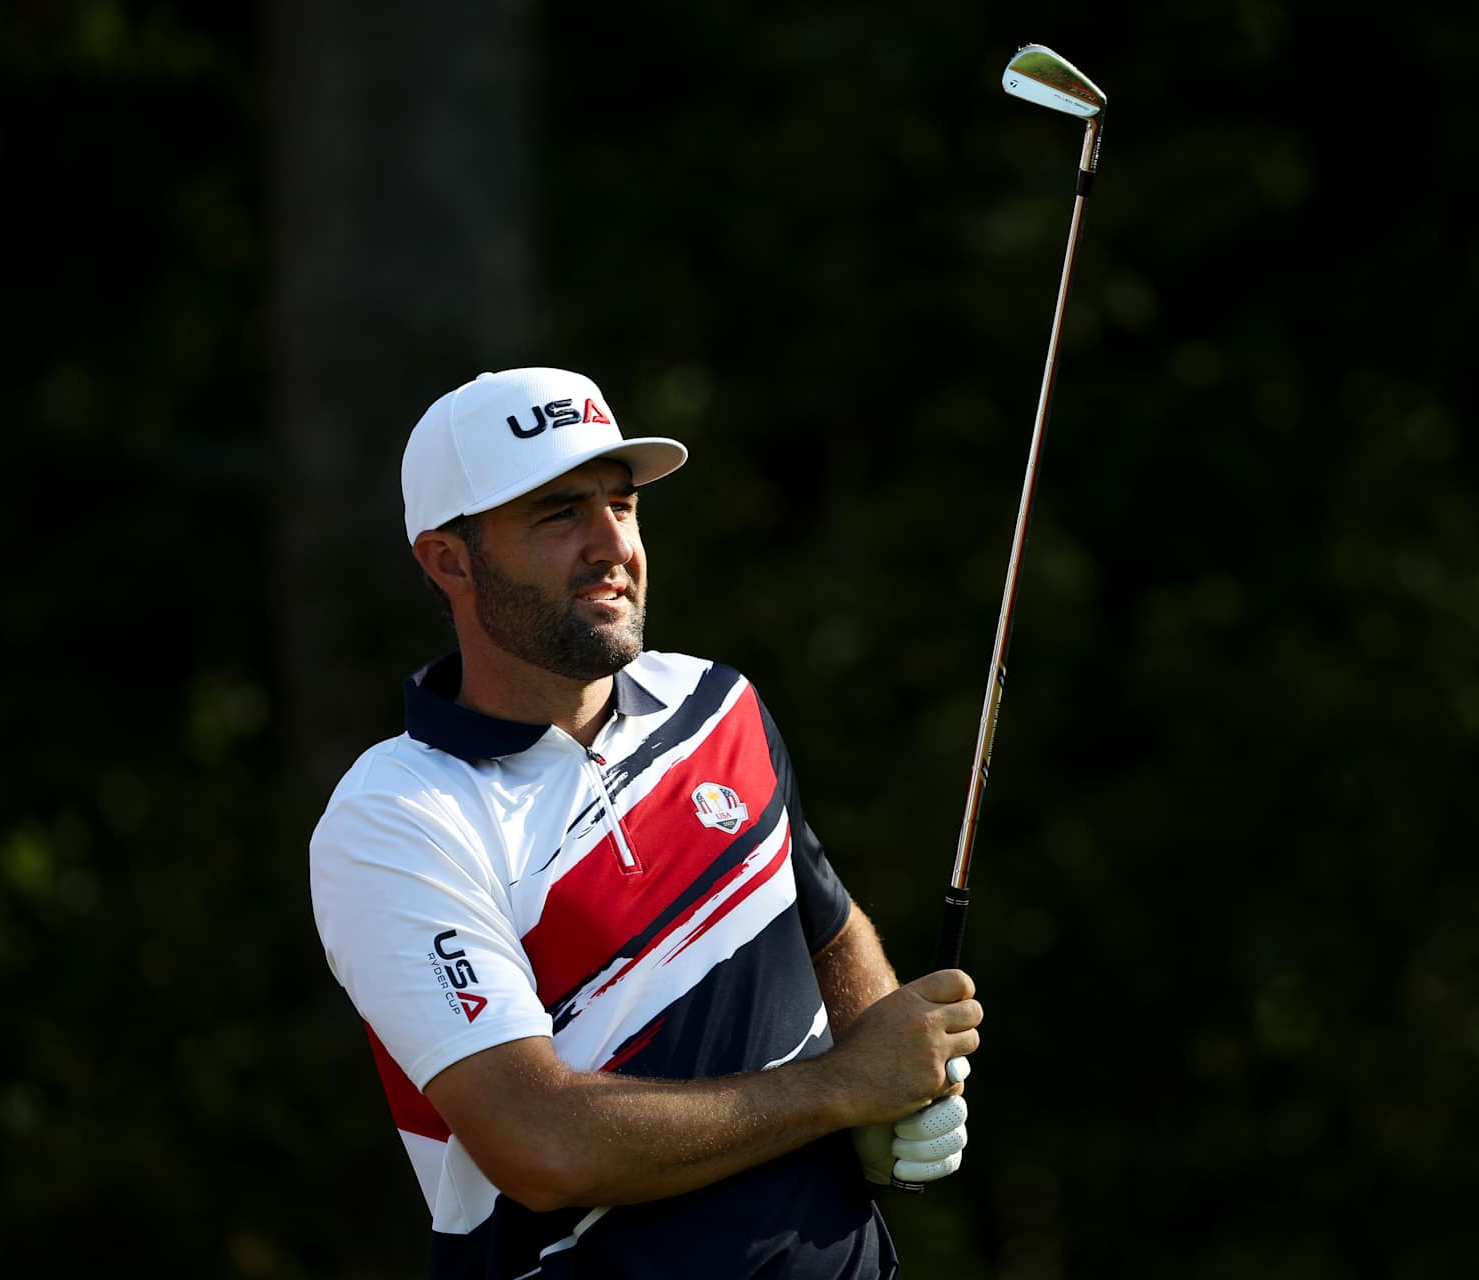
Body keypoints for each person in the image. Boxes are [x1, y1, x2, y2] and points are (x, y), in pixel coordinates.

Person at [308, 367, 981, 1279]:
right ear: (448, 560)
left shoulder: (716, 702)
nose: (610, 544)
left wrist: (890, 1081)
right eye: (558, 514)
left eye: (621, 506)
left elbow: (822, 926)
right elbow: (539, 1143)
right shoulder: (395, 817)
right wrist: (839, 1091)